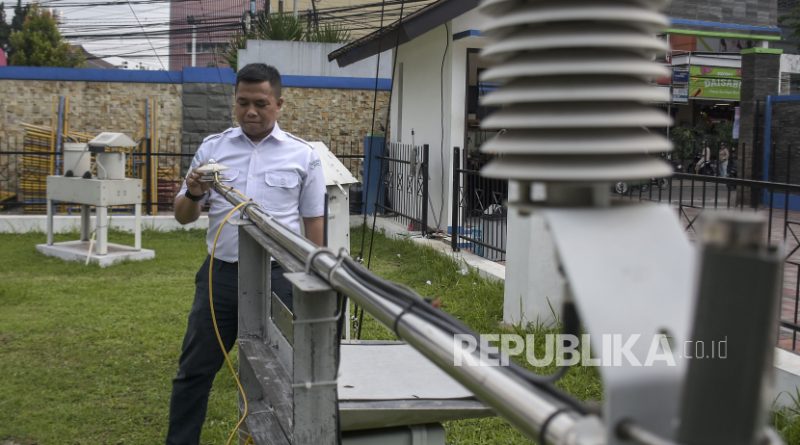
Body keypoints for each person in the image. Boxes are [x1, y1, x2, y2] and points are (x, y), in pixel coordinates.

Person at [166, 63, 326, 445]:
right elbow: (184, 217)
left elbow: (313, 227)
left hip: (278, 280)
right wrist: (191, 192)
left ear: (279, 104)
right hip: (219, 277)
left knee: (282, 373)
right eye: (242, 103)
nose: (250, 112)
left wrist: (311, 279)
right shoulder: (212, 149)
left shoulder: (304, 156)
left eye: (260, 103)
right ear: (234, 103)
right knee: (195, 370)